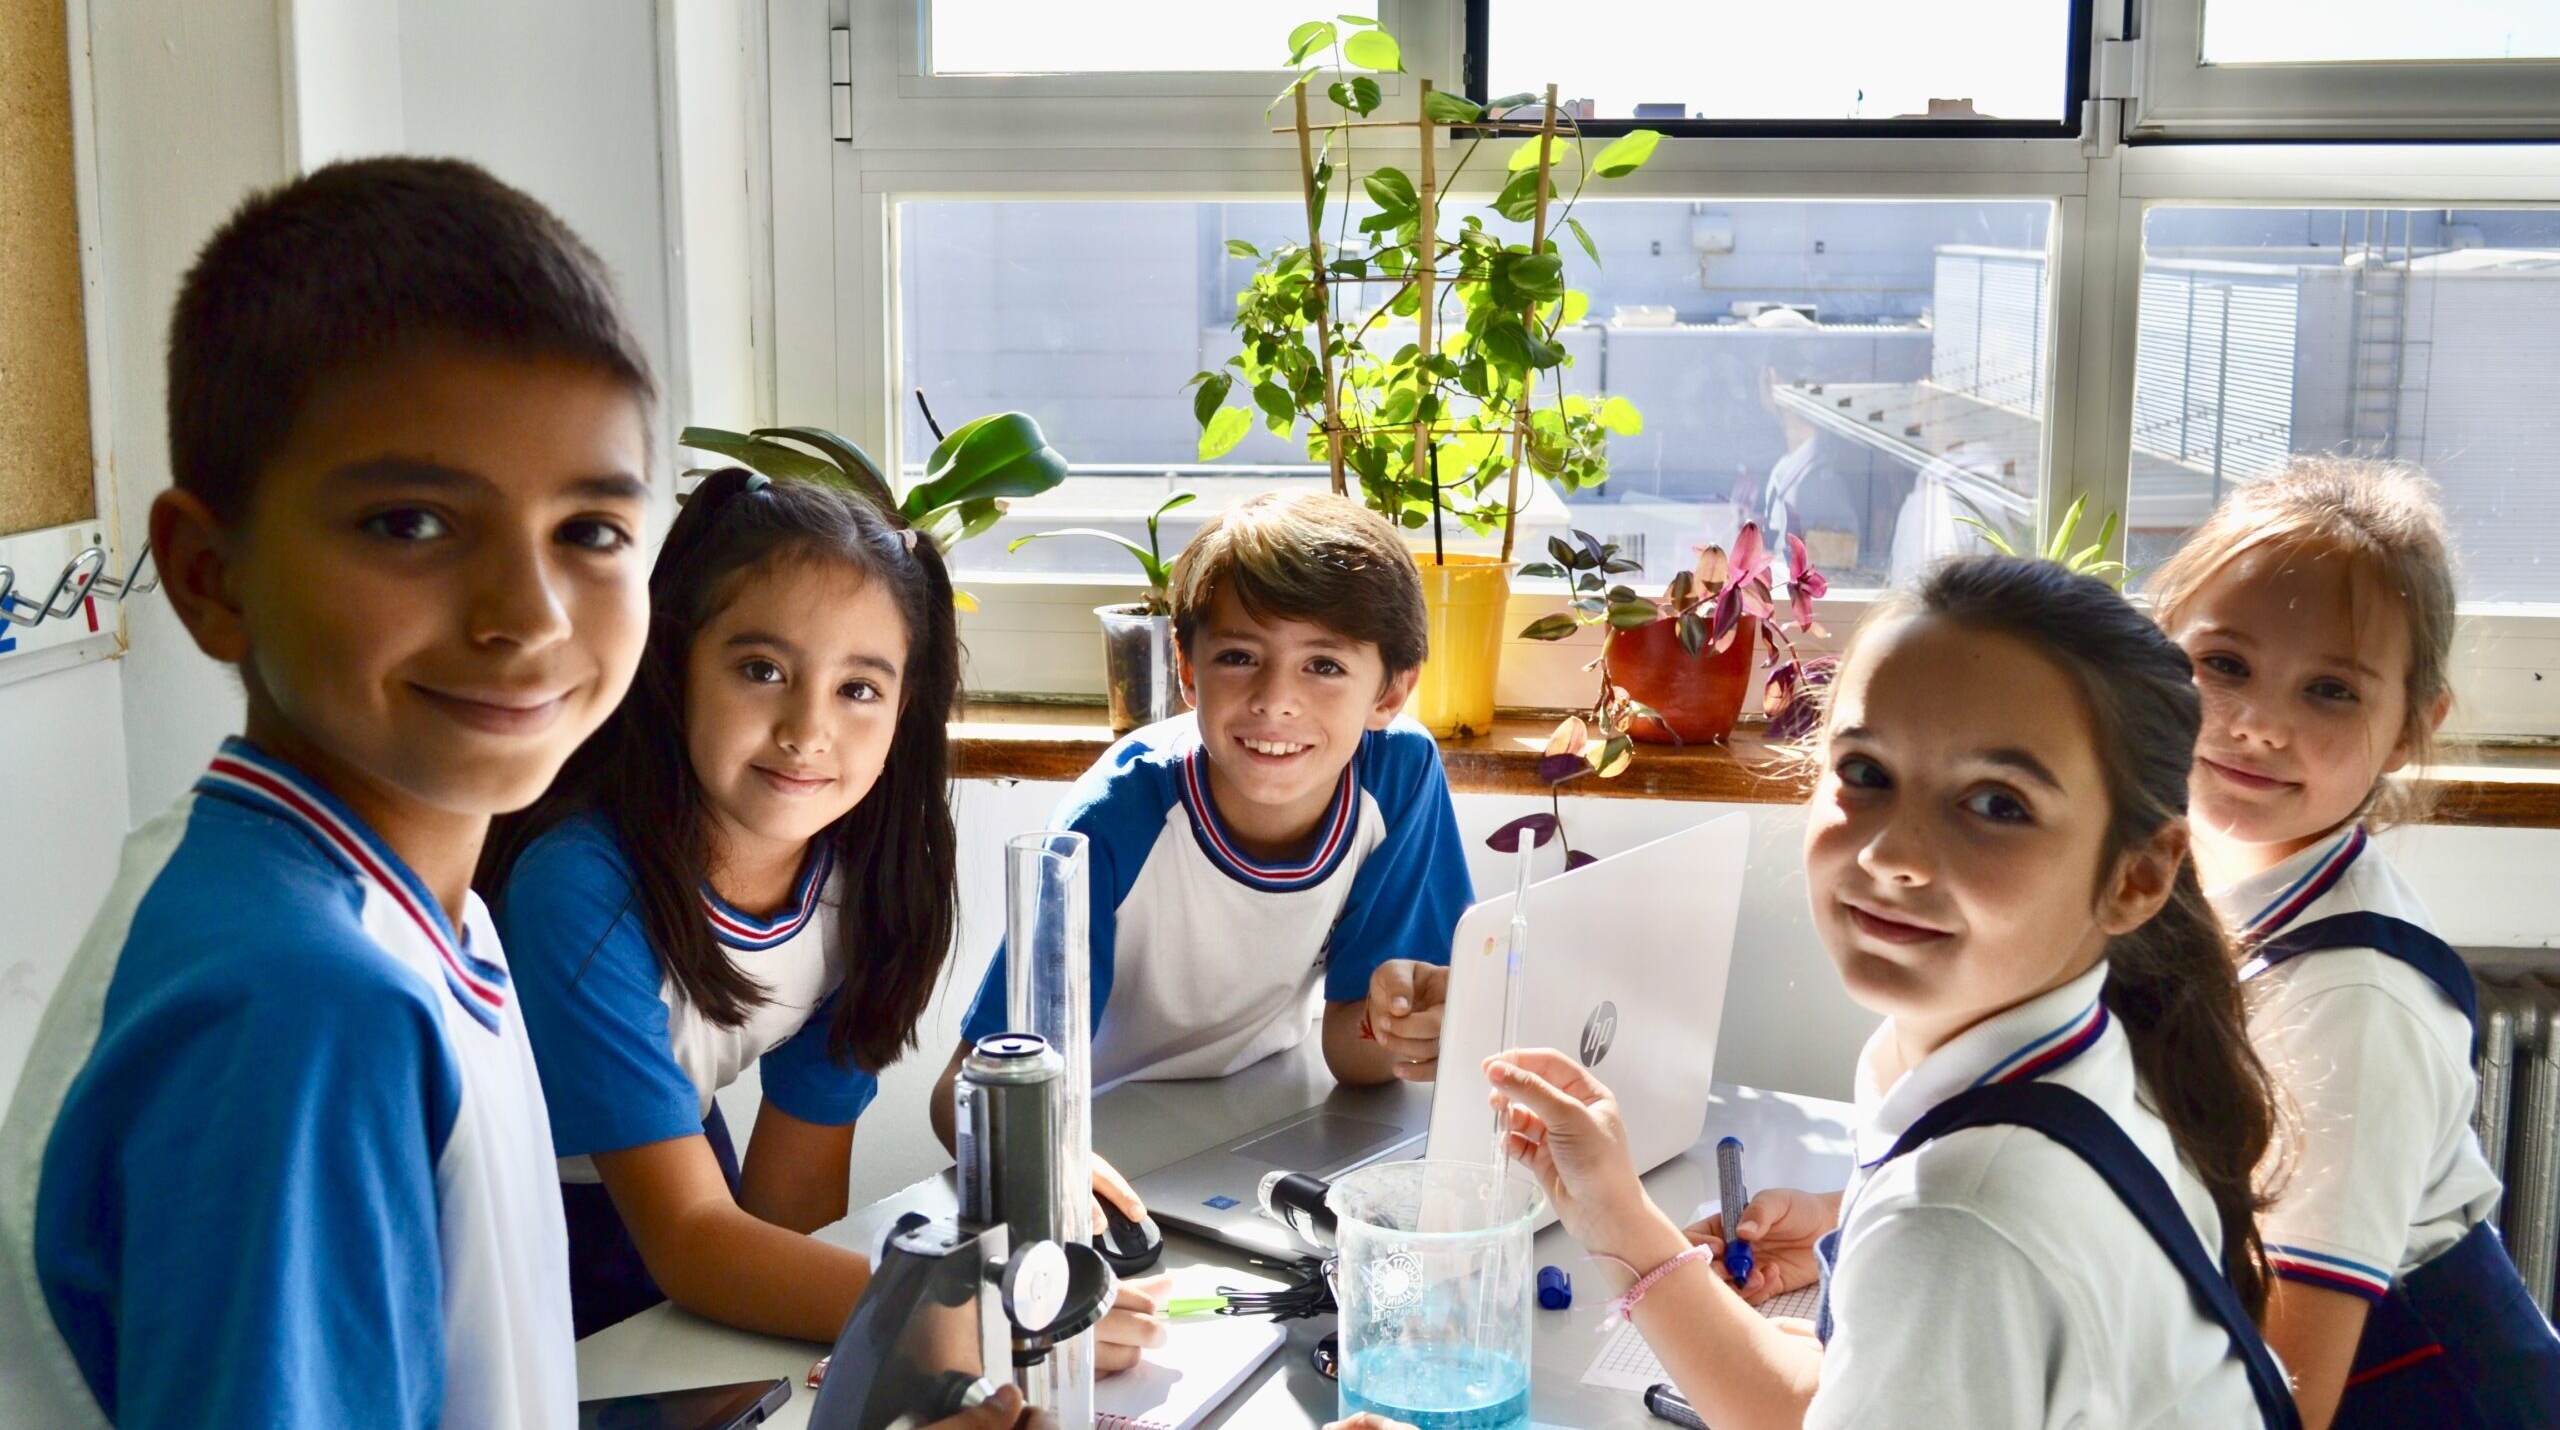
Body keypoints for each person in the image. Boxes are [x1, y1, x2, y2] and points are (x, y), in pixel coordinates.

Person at [0, 158, 657, 1427]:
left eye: (591, 530)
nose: (526, 616)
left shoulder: (394, 911)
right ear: (210, 575)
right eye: (411, 523)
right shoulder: (305, 1001)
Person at [1486, 556, 2298, 1428]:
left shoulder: (1960, 1222)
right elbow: (1820, 1402)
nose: (1891, 854)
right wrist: (1617, 1215)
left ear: (2137, 876)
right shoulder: (2102, 1068)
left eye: (1995, 803)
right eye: (1866, 773)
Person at [483, 468, 1167, 1363]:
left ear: (904, 711)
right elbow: (692, 1240)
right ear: (672, 664)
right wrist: (983, 1313)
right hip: (511, 1242)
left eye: (859, 688)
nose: (807, 728)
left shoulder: (862, 890)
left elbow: (788, 1213)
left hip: (676, 1186)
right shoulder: (577, 887)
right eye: (761, 670)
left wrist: (875, 1342)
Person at [2149, 458, 2560, 1429]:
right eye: (2225, 665)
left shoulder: (2356, 1002)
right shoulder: (2173, 876)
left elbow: (2284, 1397)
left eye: (2329, 691)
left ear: (2411, 730)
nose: (2257, 724)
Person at [928, 490, 1473, 1220]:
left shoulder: (1399, 775)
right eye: (1240, 656)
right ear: (1187, 670)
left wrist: (1396, 1025)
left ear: (1393, 689)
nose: (1276, 700)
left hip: (1269, 1110)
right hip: (1104, 1134)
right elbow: (964, 1092)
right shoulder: (1111, 821)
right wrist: (1049, 1166)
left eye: (1325, 665)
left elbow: (1352, 1052)